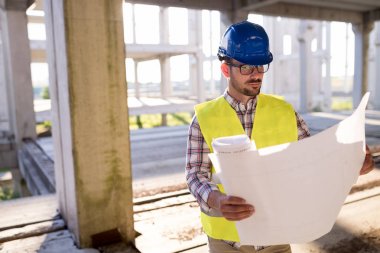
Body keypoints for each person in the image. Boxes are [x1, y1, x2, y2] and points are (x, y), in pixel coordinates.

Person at [185, 21, 375, 253]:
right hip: (226, 242)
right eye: (246, 67)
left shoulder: (285, 112)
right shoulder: (204, 118)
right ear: (226, 69)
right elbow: (195, 174)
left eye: (260, 66)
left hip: (277, 237)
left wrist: (352, 161)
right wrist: (217, 200)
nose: (256, 74)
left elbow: (314, 159)